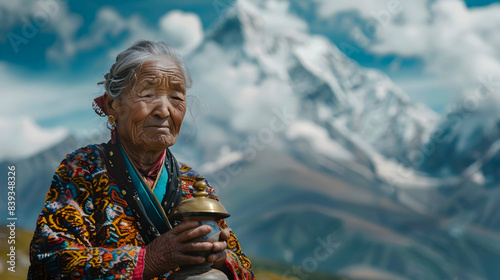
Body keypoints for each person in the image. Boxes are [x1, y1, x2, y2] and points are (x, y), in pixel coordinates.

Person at [28, 40, 254, 280]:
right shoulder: (83, 169)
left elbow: (245, 269)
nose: (164, 110)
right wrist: (152, 258)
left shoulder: (195, 185)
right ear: (114, 105)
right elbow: (50, 261)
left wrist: (220, 258)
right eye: (148, 94)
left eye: (176, 97)